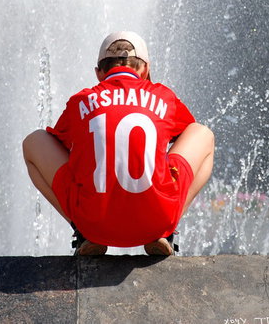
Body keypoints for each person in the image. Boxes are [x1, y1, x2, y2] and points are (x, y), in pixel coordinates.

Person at [23, 31, 214, 255]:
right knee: (202, 133)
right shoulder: (164, 96)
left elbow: (59, 146)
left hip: (94, 223)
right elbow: (183, 136)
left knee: (34, 142)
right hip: (156, 220)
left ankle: (81, 232)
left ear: (98, 73)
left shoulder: (81, 101)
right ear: (145, 69)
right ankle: (167, 231)